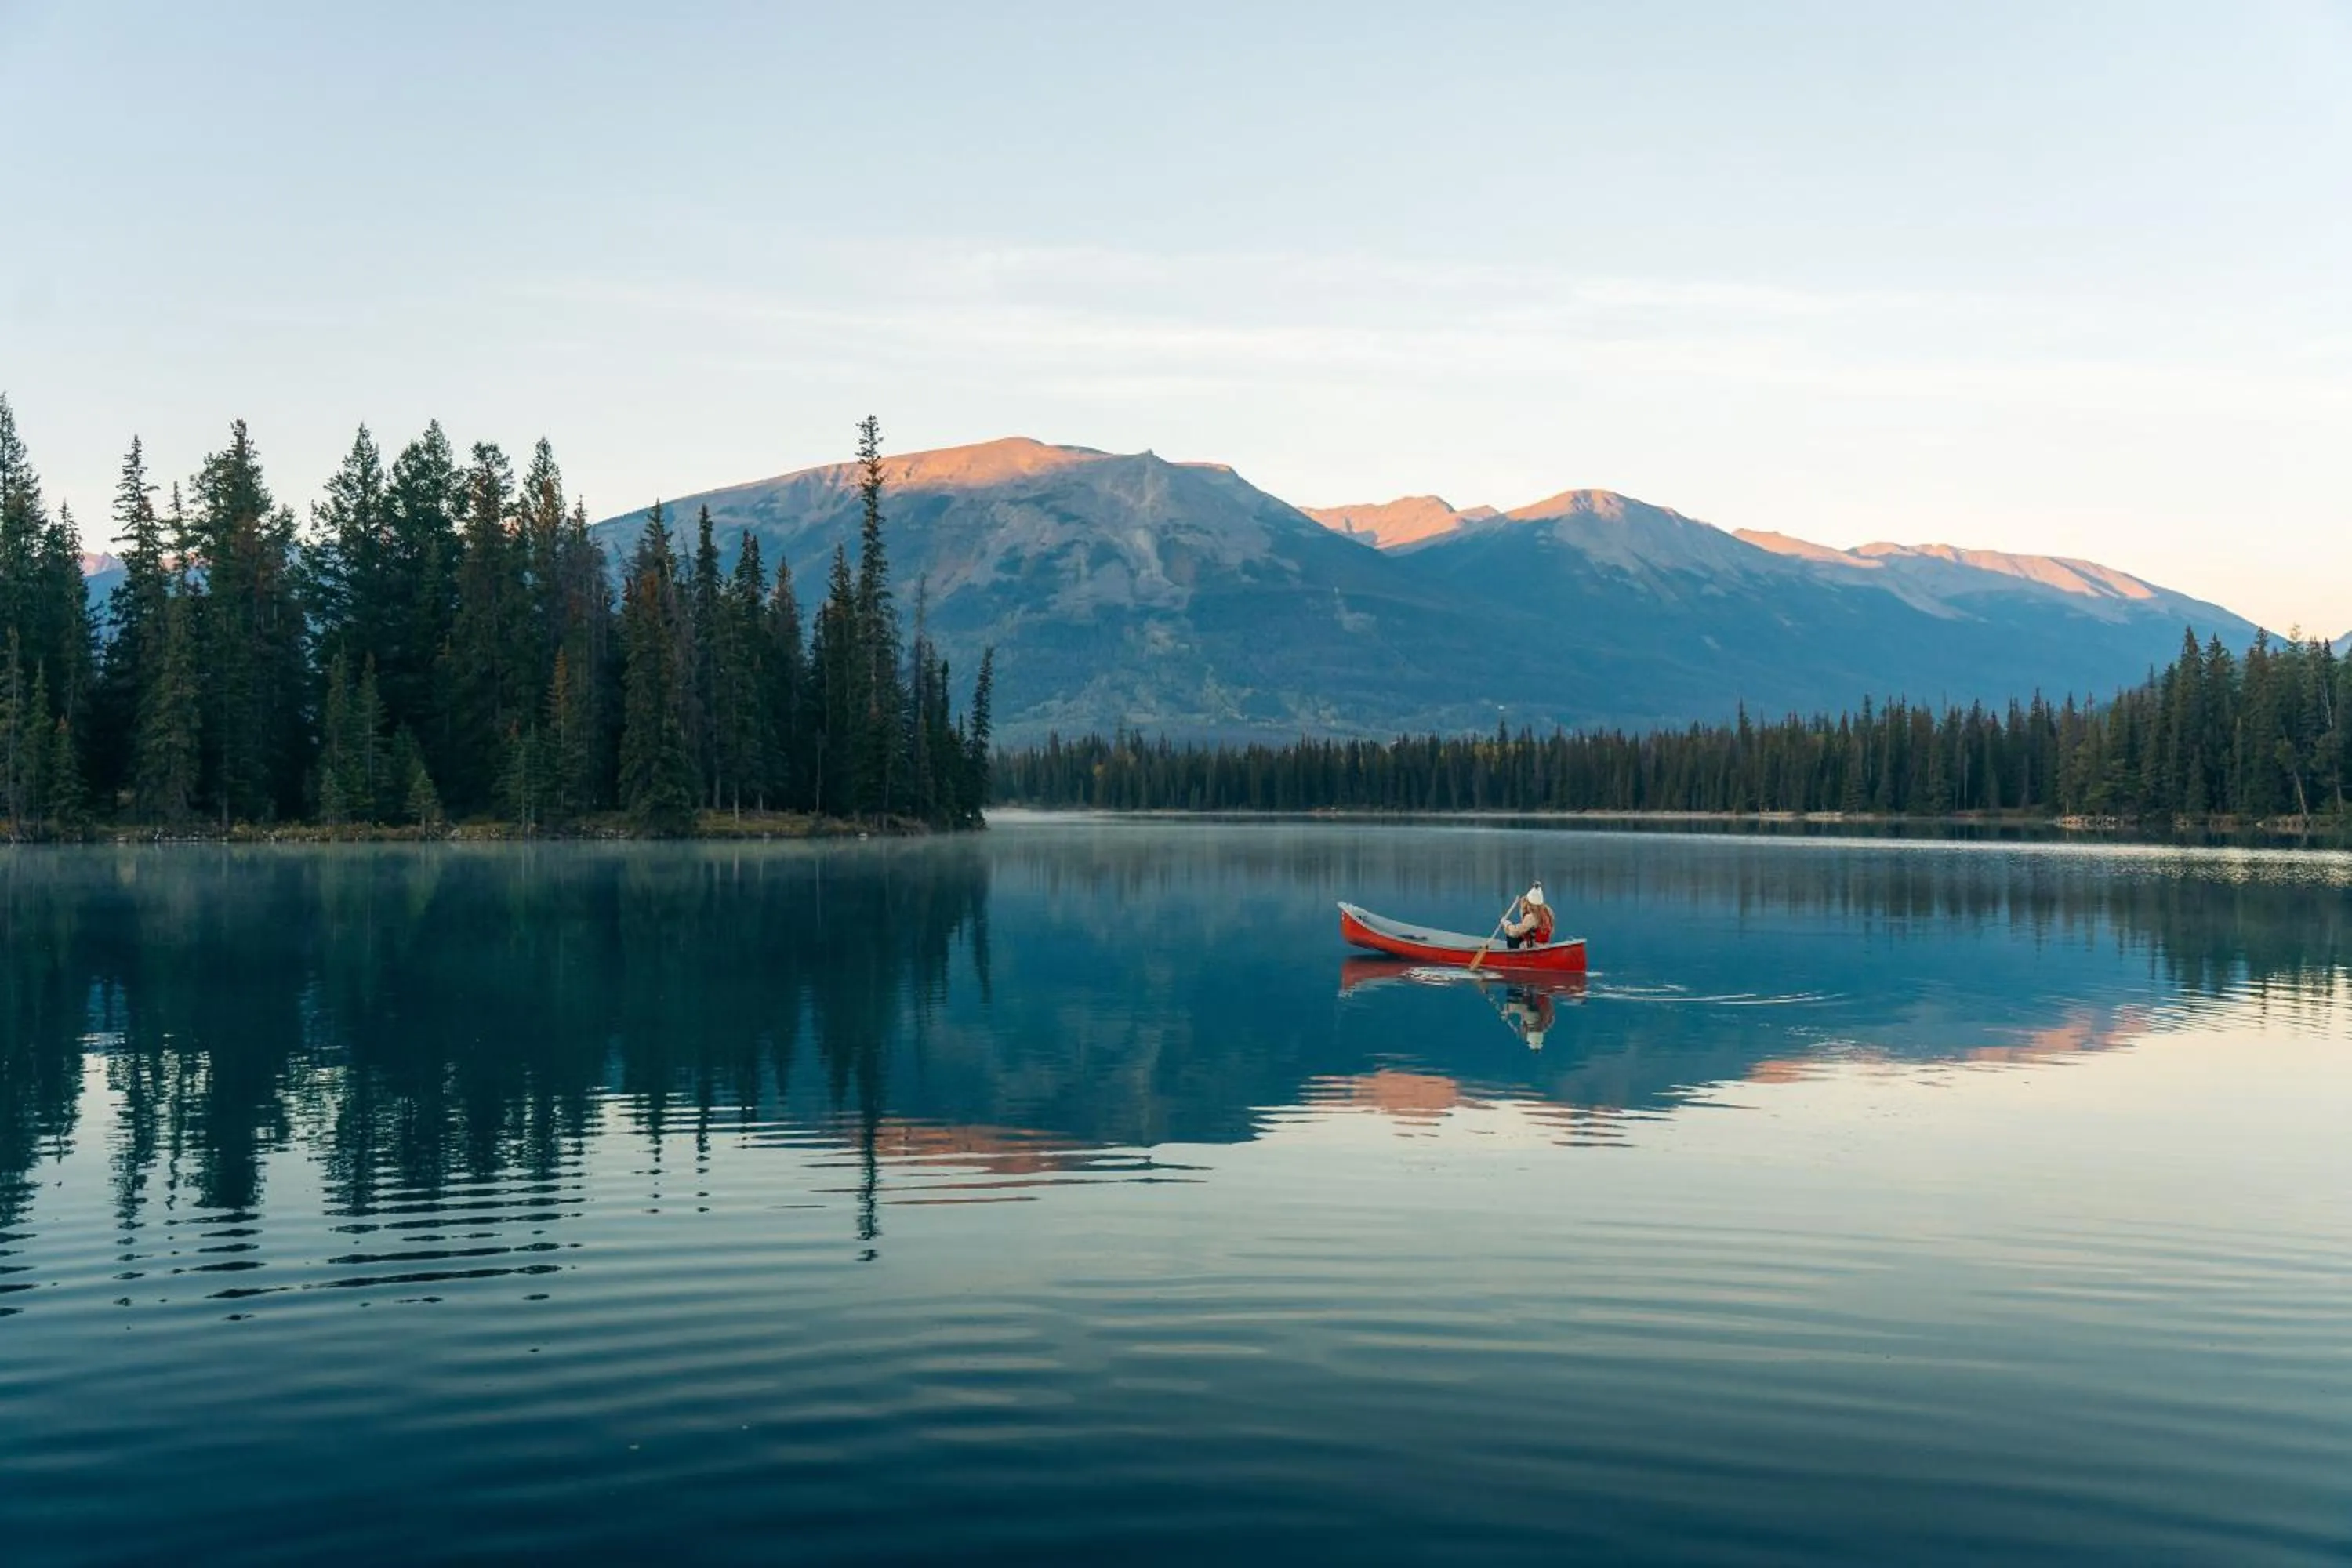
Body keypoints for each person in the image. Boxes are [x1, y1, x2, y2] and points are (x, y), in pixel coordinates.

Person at [1501, 880, 1554, 948]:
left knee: (1511, 935)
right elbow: (1525, 928)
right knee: (1517, 934)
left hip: (1536, 947)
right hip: (1542, 945)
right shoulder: (1546, 911)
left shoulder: (1532, 917)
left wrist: (1506, 924)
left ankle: (1514, 956)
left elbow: (1517, 931)